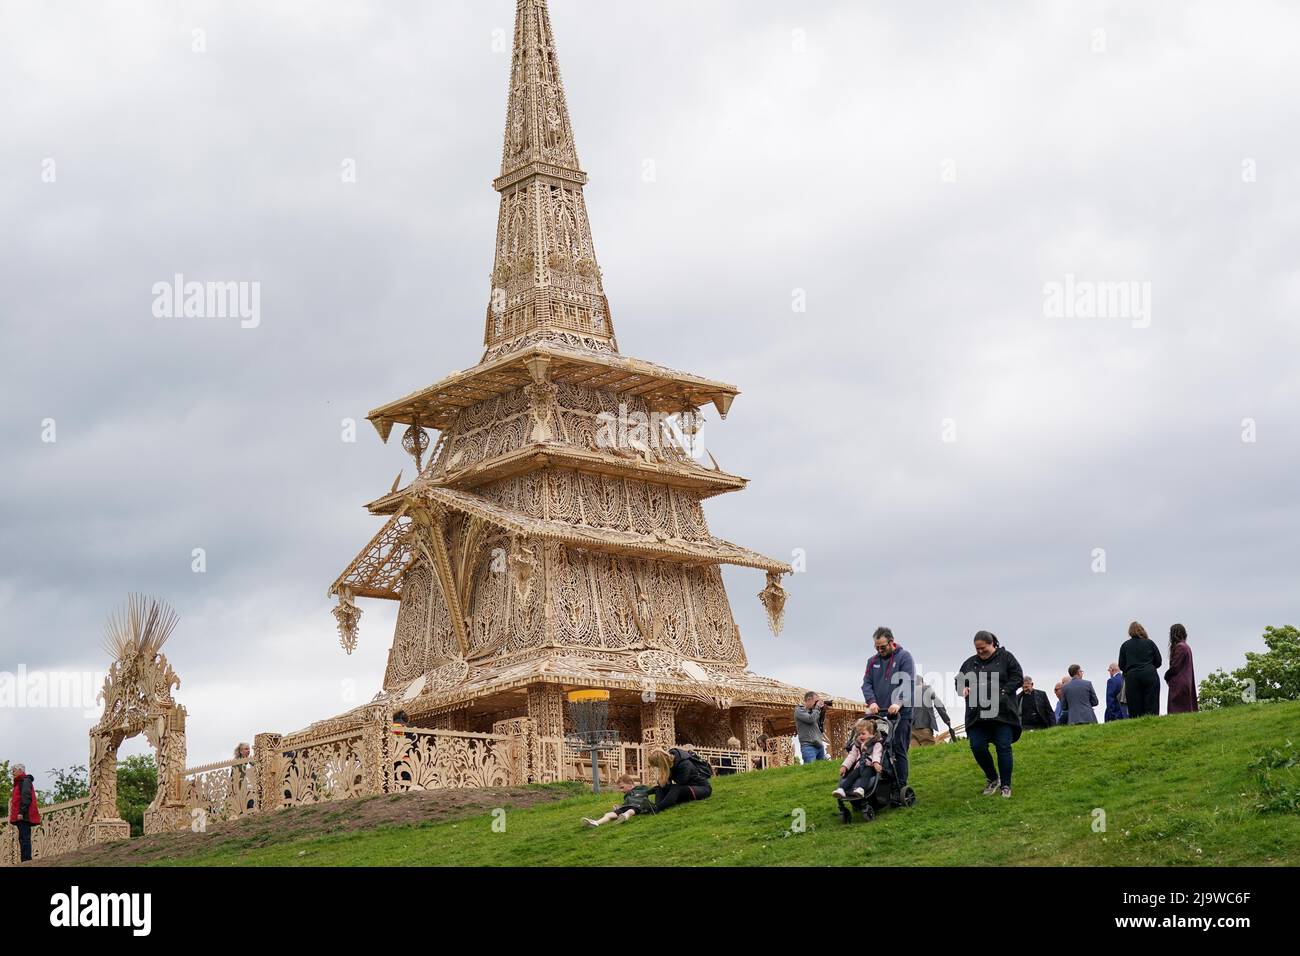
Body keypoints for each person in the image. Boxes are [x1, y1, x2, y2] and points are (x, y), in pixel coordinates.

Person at [955, 631, 1023, 798]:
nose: (980, 652)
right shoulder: (970, 663)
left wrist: (1004, 691)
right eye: (977, 649)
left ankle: (1006, 785)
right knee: (977, 746)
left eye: (983, 648)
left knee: (1003, 747)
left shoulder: (1007, 658)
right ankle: (993, 778)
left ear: (993, 643)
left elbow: (1018, 677)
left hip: (1003, 713)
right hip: (977, 715)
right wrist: (962, 688)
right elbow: (958, 681)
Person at [861, 626, 917, 789]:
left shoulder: (904, 657)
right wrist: (871, 701)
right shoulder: (872, 661)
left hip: (901, 712)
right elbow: (867, 683)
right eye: (877, 648)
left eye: (883, 647)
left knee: (898, 747)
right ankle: (881, 784)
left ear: (892, 642)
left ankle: (901, 785)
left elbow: (907, 682)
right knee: (877, 747)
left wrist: (898, 703)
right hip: (878, 712)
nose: (880, 650)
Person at [645, 747, 713, 811]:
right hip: (686, 788)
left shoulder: (684, 764)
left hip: (702, 788)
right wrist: (648, 792)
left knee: (675, 788)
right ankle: (655, 805)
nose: (658, 768)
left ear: (661, 763)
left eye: (657, 766)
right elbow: (664, 785)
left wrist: (667, 779)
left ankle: (657, 808)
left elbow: (681, 784)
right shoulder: (670, 763)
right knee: (659, 788)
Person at [1118, 621, 1163, 717]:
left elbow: (1121, 665)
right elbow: (1158, 661)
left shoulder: (1125, 645)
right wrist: (1149, 667)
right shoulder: (1150, 643)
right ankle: (1152, 722)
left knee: (1135, 707)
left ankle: (1137, 724)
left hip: (1132, 676)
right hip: (1149, 674)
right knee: (1152, 704)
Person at [833, 718, 885, 799]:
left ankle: (861, 789)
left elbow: (876, 755)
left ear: (871, 734)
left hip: (870, 766)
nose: (860, 736)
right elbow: (851, 756)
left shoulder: (876, 744)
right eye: (859, 734)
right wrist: (844, 766)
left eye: (863, 734)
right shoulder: (857, 745)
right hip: (859, 766)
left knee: (866, 774)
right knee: (851, 776)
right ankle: (841, 789)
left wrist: (876, 763)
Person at [582, 773, 655, 826]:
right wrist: (619, 808)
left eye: (622, 787)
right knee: (608, 814)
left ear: (630, 783)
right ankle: (596, 822)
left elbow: (653, 790)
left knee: (631, 810)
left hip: (638, 806)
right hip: (627, 807)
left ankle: (625, 816)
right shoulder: (627, 795)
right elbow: (626, 804)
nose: (621, 790)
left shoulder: (641, 788)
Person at [9, 763, 41, 863]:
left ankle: (26, 859)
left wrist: (21, 812)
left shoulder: (25, 781)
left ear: (20, 771)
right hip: (22, 815)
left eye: (14, 770)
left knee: (25, 837)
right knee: (22, 837)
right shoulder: (20, 782)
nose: (12, 773)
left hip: (24, 815)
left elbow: (26, 796)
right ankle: (25, 859)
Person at [1165, 623, 1199, 714]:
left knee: (1177, 710)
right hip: (1186, 681)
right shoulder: (1186, 647)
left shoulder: (1180, 647)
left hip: (1179, 683)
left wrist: (1167, 675)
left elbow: (1175, 667)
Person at [909, 680, 952, 746]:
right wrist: (946, 719)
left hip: (910, 730)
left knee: (915, 754)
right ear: (921, 682)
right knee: (929, 753)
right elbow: (938, 703)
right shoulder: (927, 688)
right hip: (925, 728)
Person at [794, 691, 828, 763]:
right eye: (816, 701)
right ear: (808, 700)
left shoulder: (814, 711)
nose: (817, 703)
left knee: (822, 770)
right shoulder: (799, 710)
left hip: (819, 745)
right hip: (808, 746)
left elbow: (820, 725)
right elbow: (810, 719)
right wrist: (818, 708)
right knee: (811, 770)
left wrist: (823, 712)